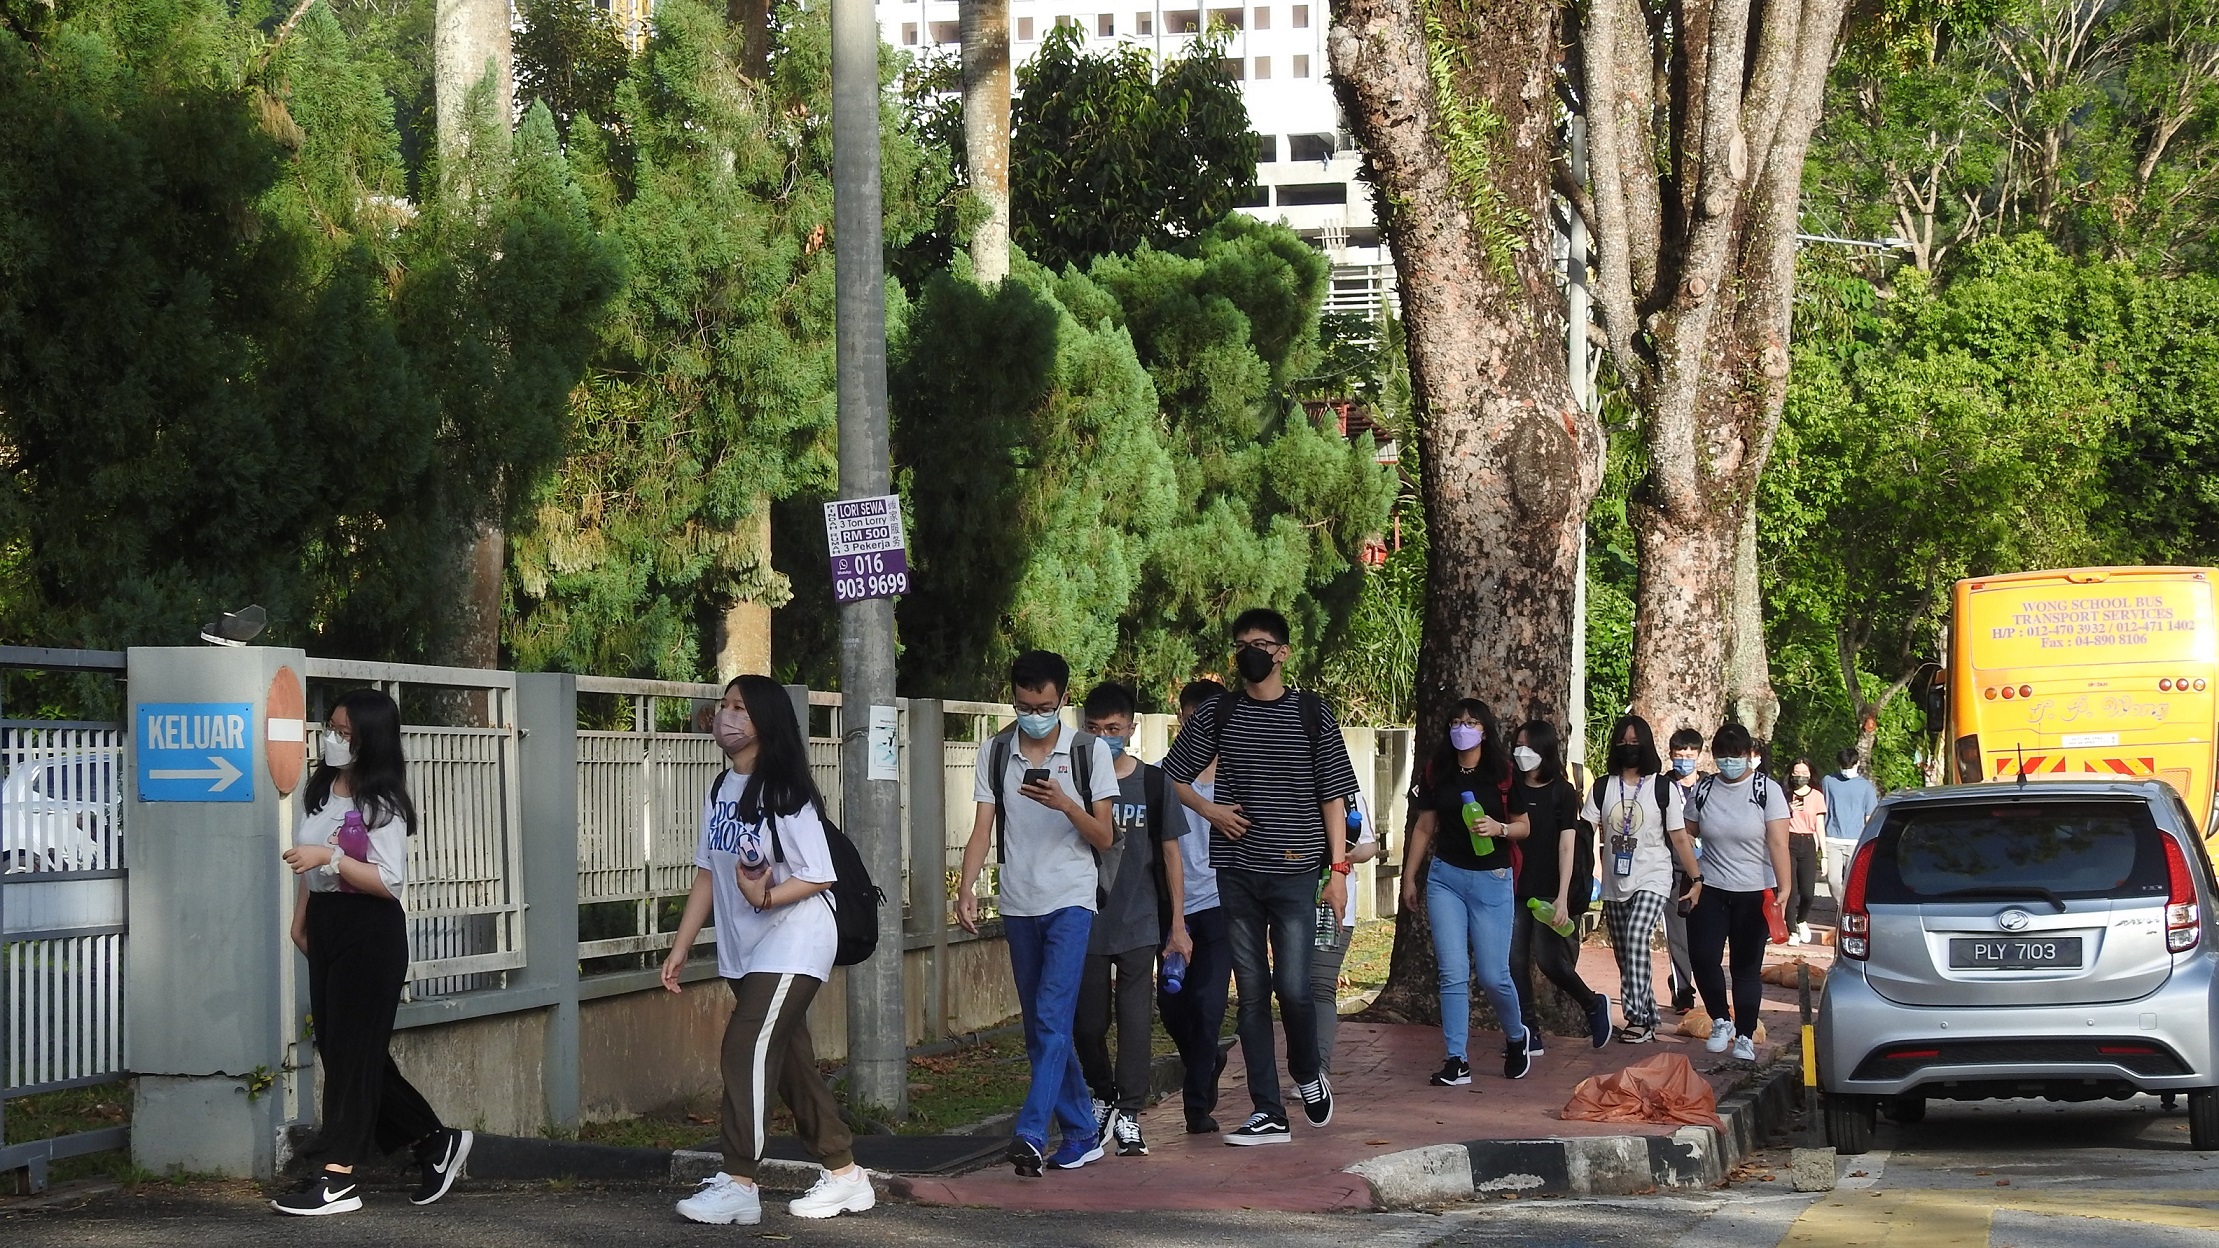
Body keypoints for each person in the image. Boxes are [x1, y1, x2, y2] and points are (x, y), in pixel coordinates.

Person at [661, 676, 874, 1226]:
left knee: (744, 1044)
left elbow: (819, 874)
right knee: (791, 1065)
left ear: (765, 723)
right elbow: (708, 873)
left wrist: (766, 895)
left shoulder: (784, 790)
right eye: (725, 706)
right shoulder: (721, 788)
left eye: (741, 709)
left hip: (796, 936)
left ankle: (738, 1181)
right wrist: (682, 946)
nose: (727, 718)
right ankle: (846, 1174)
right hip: (748, 948)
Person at [1163, 609, 1360, 1146]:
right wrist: (1211, 812)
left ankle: (1305, 1072)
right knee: (1251, 994)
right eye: (1243, 643)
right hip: (1237, 874)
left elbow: (1334, 797)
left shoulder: (1313, 713)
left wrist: (1337, 872)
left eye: (1262, 643)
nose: (1252, 651)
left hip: (1297, 872)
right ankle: (1268, 1110)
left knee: (1295, 989)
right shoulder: (1218, 714)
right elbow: (1170, 777)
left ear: (1283, 653)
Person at [276, 689, 472, 1216]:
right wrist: (301, 918)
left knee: (355, 1057)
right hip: (327, 921)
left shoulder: (382, 802)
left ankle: (337, 1177)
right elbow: (305, 860)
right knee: (342, 1050)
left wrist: (333, 858)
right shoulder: (321, 789)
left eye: (343, 731)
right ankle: (435, 1142)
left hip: (370, 930)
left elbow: (389, 881)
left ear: (368, 738)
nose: (332, 738)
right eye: (331, 727)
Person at [957, 651, 1119, 1176]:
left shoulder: (1089, 751)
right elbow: (983, 827)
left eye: (1044, 704)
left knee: (1052, 1018)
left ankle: (1029, 1132)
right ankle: (1081, 1131)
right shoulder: (996, 751)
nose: (1034, 713)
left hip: (1072, 897)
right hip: (1018, 901)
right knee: (1039, 1027)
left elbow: (1104, 835)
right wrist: (967, 886)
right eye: (1024, 704)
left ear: (1062, 700)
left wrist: (1066, 804)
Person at [1075, 683, 1188, 1158]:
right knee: (1087, 1024)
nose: (1105, 738)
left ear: (1132, 729)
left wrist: (1178, 925)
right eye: (1096, 729)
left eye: (1114, 729)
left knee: (1137, 1023)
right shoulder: (1075, 784)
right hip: (1085, 920)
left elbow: (1170, 855)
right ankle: (1102, 1094)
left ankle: (1130, 1114)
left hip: (1141, 921)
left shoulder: (1155, 784)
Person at [1401, 698, 1533, 1084]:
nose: (1463, 728)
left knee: (1494, 975)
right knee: (1453, 972)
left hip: (1493, 879)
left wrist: (1499, 828)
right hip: (1447, 878)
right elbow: (1424, 827)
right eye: (1457, 721)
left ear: (1485, 730)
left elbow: (1524, 825)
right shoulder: (1437, 771)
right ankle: (1456, 1058)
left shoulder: (1504, 773)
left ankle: (1515, 1035)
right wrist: (1411, 876)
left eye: (1471, 722)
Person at [1583, 715, 1699, 1044]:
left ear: (1646, 745)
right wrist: (1584, 867)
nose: (1629, 747)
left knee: (1636, 937)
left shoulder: (1662, 787)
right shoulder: (1604, 786)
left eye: (1636, 742)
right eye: (1624, 741)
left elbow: (1679, 837)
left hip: (1655, 875)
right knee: (1625, 952)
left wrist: (1697, 878)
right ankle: (1649, 1012)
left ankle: (1637, 1018)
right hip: (1615, 882)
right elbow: (1584, 830)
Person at [1682, 722, 1794, 1063]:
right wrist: (1694, 875)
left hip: (1754, 890)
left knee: (1745, 967)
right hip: (1711, 887)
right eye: (1722, 756)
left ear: (1748, 755)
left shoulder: (1766, 790)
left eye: (1736, 755)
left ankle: (1745, 1034)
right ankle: (1720, 1020)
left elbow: (1778, 841)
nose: (1729, 762)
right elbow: (1685, 834)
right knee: (1702, 957)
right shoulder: (1703, 790)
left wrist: (1784, 888)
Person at [1507, 720, 1613, 1052]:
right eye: (1518, 745)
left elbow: (1568, 846)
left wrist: (1563, 897)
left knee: (1549, 961)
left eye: (1529, 746)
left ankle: (1593, 1004)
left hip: (1550, 888)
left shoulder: (1562, 792)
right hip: (1512, 887)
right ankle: (1528, 1031)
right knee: (1513, 961)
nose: (1522, 752)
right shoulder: (1510, 788)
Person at [1162, 680, 1237, 1135]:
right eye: (1193, 721)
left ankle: (1196, 1108)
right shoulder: (1160, 777)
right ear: (1181, 721)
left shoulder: (1240, 773)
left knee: (1209, 1004)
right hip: (1172, 907)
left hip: (1221, 906)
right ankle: (1208, 1059)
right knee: (1172, 1005)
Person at [1311, 786, 1379, 1074]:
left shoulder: (1349, 792)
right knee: (1292, 989)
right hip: (1287, 906)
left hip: (1334, 910)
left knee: (1321, 985)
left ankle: (1318, 1072)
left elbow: (1370, 845)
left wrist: (1347, 858)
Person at [1662, 727, 1706, 1013]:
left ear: (1699, 756)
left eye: (1690, 756)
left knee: (1703, 936)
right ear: (1671, 756)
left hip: (1708, 870)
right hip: (1671, 869)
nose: (1685, 761)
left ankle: (1707, 988)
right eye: (1680, 756)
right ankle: (1683, 991)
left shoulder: (1709, 787)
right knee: (1677, 934)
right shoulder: (1660, 785)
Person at [1820, 747, 1880, 897]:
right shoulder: (1828, 781)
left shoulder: (1866, 787)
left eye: (1850, 766)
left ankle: (1849, 908)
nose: (1846, 770)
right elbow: (1822, 808)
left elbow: (1869, 817)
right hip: (1832, 839)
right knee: (1833, 880)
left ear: (1858, 763)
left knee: (1853, 881)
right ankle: (1842, 905)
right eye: (1843, 767)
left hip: (1856, 841)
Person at [1782, 758, 1826, 943]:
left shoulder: (1817, 796)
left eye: (1804, 773)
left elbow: (1820, 825)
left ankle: (1801, 920)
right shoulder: (1784, 795)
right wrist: (1787, 808)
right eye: (1796, 773)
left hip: (1808, 841)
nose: (1800, 776)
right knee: (1790, 890)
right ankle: (1791, 930)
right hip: (1788, 840)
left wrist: (1824, 855)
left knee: (1808, 892)